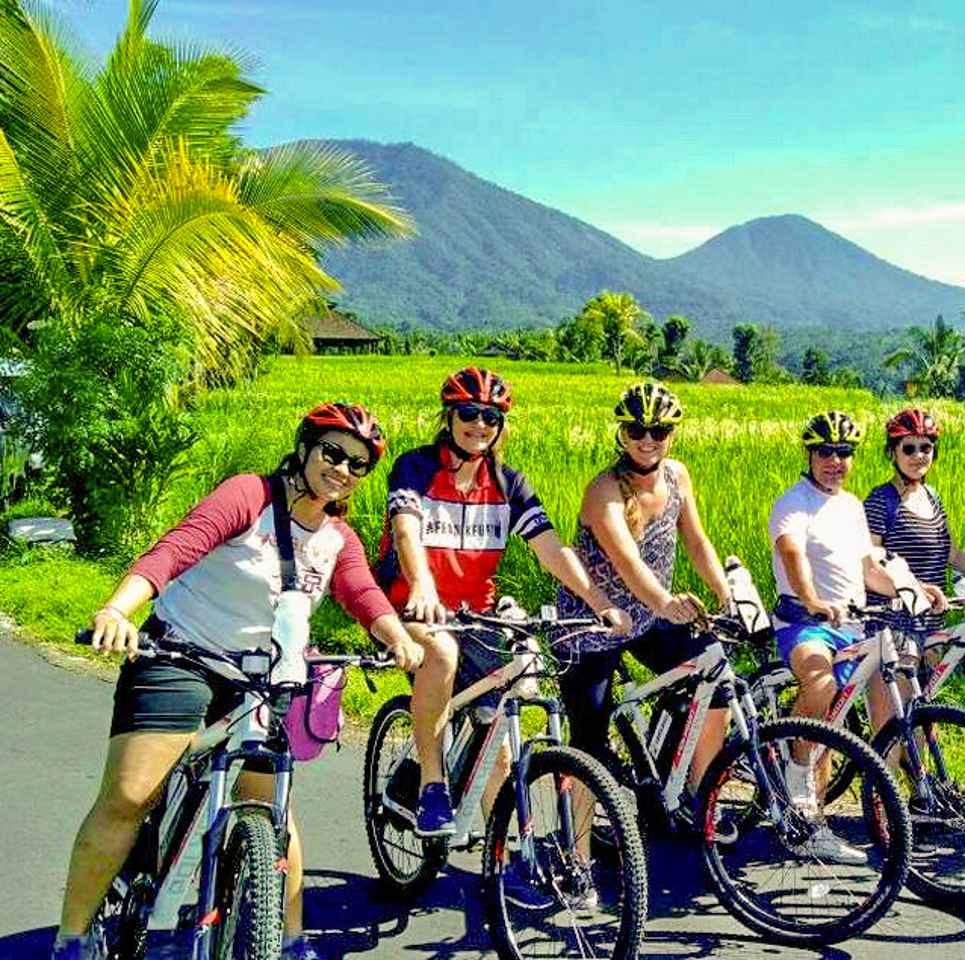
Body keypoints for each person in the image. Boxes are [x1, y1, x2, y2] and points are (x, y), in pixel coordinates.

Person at [53, 403, 426, 960]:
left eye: (359, 464)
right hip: (180, 652)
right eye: (333, 452)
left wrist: (398, 638)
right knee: (129, 796)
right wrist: (117, 611)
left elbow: (362, 594)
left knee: (272, 806)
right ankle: (73, 938)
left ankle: (292, 940)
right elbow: (176, 549)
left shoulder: (337, 539)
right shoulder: (248, 495)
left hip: (260, 678)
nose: (343, 469)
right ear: (305, 448)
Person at [373, 367, 628, 840]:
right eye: (468, 413)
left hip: (476, 614)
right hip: (412, 607)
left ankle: (503, 855)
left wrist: (599, 601)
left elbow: (550, 547)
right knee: (442, 654)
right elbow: (406, 529)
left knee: (499, 732)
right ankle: (432, 784)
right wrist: (423, 586)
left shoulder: (509, 484)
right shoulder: (417, 467)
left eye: (491, 416)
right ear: (448, 416)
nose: (479, 424)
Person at [554, 382, 732, 828]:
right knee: (589, 746)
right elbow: (626, 561)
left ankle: (695, 797)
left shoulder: (677, 475)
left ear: (672, 433)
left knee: (714, 681)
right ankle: (574, 854)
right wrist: (667, 601)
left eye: (658, 429)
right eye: (636, 429)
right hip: (593, 623)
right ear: (622, 431)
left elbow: (695, 540)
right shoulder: (604, 490)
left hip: (648, 619)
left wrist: (725, 594)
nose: (647, 439)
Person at [768, 410, 906, 862]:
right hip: (803, 623)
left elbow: (869, 565)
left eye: (844, 453)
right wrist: (810, 599)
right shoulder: (793, 502)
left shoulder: (850, 506)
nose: (835, 460)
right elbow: (792, 554)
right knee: (822, 687)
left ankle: (814, 826)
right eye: (825, 452)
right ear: (809, 454)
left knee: (835, 723)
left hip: (850, 624)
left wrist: (912, 589)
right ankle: (794, 767)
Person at [863, 408, 965, 628]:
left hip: (932, 623)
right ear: (893, 452)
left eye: (926, 447)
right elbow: (869, 569)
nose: (918, 456)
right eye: (909, 448)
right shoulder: (880, 501)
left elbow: (955, 557)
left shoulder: (932, 498)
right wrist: (916, 589)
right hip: (891, 628)